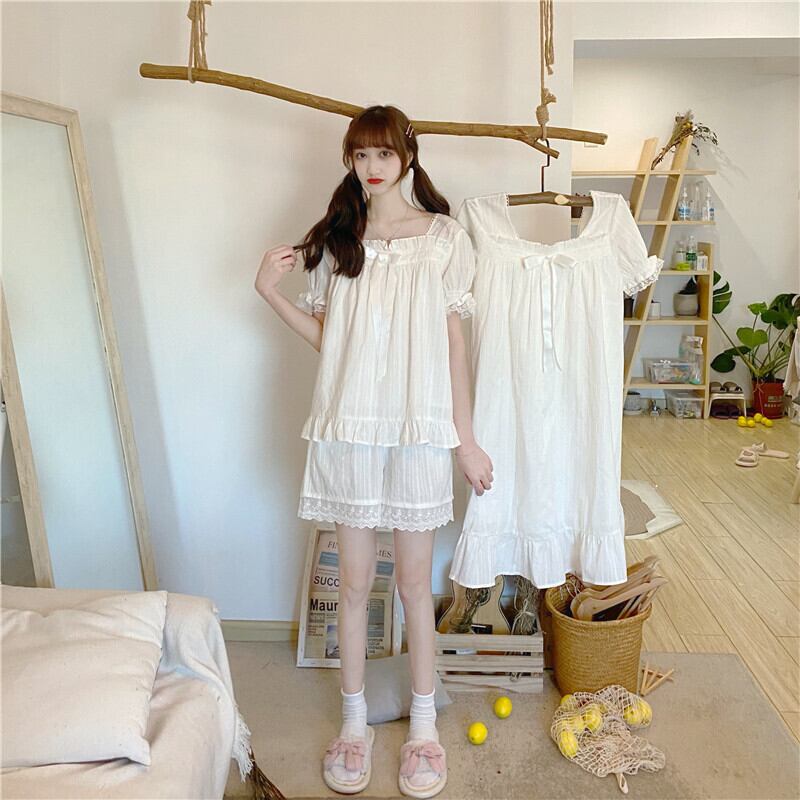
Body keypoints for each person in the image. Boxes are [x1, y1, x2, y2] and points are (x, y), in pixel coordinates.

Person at [254, 105, 493, 798]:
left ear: (407, 157)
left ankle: (424, 730)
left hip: (418, 432)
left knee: (415, 586)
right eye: (361, 155)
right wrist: (269, 293)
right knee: (355, 586)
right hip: (351, 429)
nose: (372, 166)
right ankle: (353, 725)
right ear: (351, 162)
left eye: (384, 153)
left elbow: (453, 346)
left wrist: (465, 441)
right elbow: (331, 341)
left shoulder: (444, 238)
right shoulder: (339, 241)